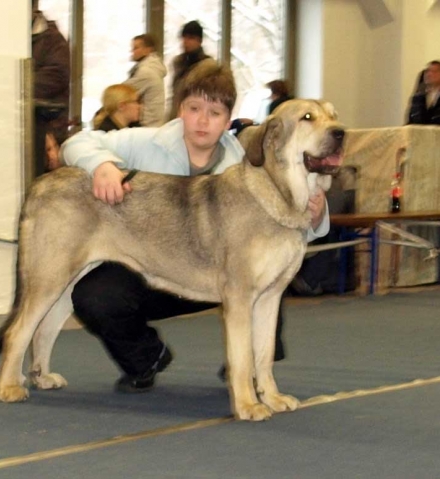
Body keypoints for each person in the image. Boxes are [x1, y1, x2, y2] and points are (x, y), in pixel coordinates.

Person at [61, 63, 329, 393]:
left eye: (215, 112)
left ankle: (249, 371)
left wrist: (316, 215)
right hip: (146, 269)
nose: (203, 120)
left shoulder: (242, 163)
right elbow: (77, 143)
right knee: (94, 297)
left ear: (228, 118)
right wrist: (100, 165)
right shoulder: (143, 142)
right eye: (194, 109)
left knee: (268, 272)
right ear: (180, 109)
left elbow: (284, 219)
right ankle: (146, 358)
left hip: (210, 275)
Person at [31, 0, 71, 176]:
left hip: (46, 129)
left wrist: (14, 85)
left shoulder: (52, 40)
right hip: (24, 128)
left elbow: (56, 77)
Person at [168, 20, 216, 120]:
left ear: (199, 41)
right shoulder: (178, 62)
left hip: (196, 116)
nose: (186, 42)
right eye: (184, 38)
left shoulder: (208, 66)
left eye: (191, 38)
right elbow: (175, 94)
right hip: (177, 114)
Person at [123, 34, 167, 127]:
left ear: (148, 50)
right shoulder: (153, 68)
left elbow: (122, 93)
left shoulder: (146, 72)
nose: (132, 51)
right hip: (153, 125)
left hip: (145, 125)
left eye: (136, 48)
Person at [407, 60, 440, 125]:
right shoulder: (417, 98)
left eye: (434, 71)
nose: (429, 74)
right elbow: (411, 121)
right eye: (427, 71)